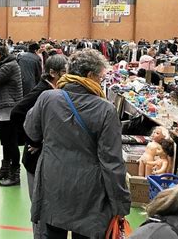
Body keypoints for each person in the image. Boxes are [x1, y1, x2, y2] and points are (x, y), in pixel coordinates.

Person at [24, 49, 131, 238]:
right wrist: (120, 204)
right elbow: (112, 162)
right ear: (90, 75)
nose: (101, 82)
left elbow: (31, 130)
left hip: (52, 185)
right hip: (89, 194)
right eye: (100, 77)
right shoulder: (105, 109)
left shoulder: (48, 98)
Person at [10, 55, 67, 239]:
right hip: (34, 159)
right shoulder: (42, 92)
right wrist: (31, 140)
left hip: (44, 157)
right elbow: (17, 112)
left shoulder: (54, 92)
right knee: (39, 209)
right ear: (53, 73)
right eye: (64, 72)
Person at [0, 42, 23, 187]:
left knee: (11, 142)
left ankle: (15, 175)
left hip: (9, 107)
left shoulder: (8, 66)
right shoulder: (7, 64)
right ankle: (5, 169)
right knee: (5, 142)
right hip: (5, 107)